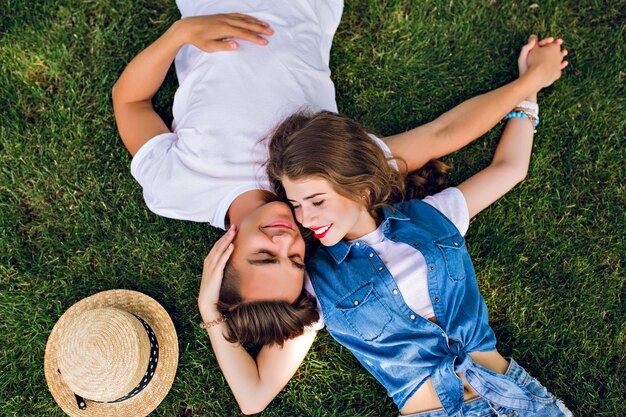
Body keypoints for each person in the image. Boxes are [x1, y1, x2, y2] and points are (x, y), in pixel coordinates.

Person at [112, 0, 567, 413]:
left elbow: (130, 101)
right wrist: (529, 87)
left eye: (263, 254)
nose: (287, 238)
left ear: (225, 253)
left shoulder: (182, 190)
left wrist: (180, 34)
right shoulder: (327, 186)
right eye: (295, 259)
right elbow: (252, 397)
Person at [258, 43, 571, 415]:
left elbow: (510, 168)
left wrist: (528, 88)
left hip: (518, 399)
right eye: (296, 204)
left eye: (317, 200)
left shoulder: (430, 217)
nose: (305, 218)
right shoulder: (318, 281)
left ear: (361, 187)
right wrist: (208, 308)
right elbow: (255, 394)